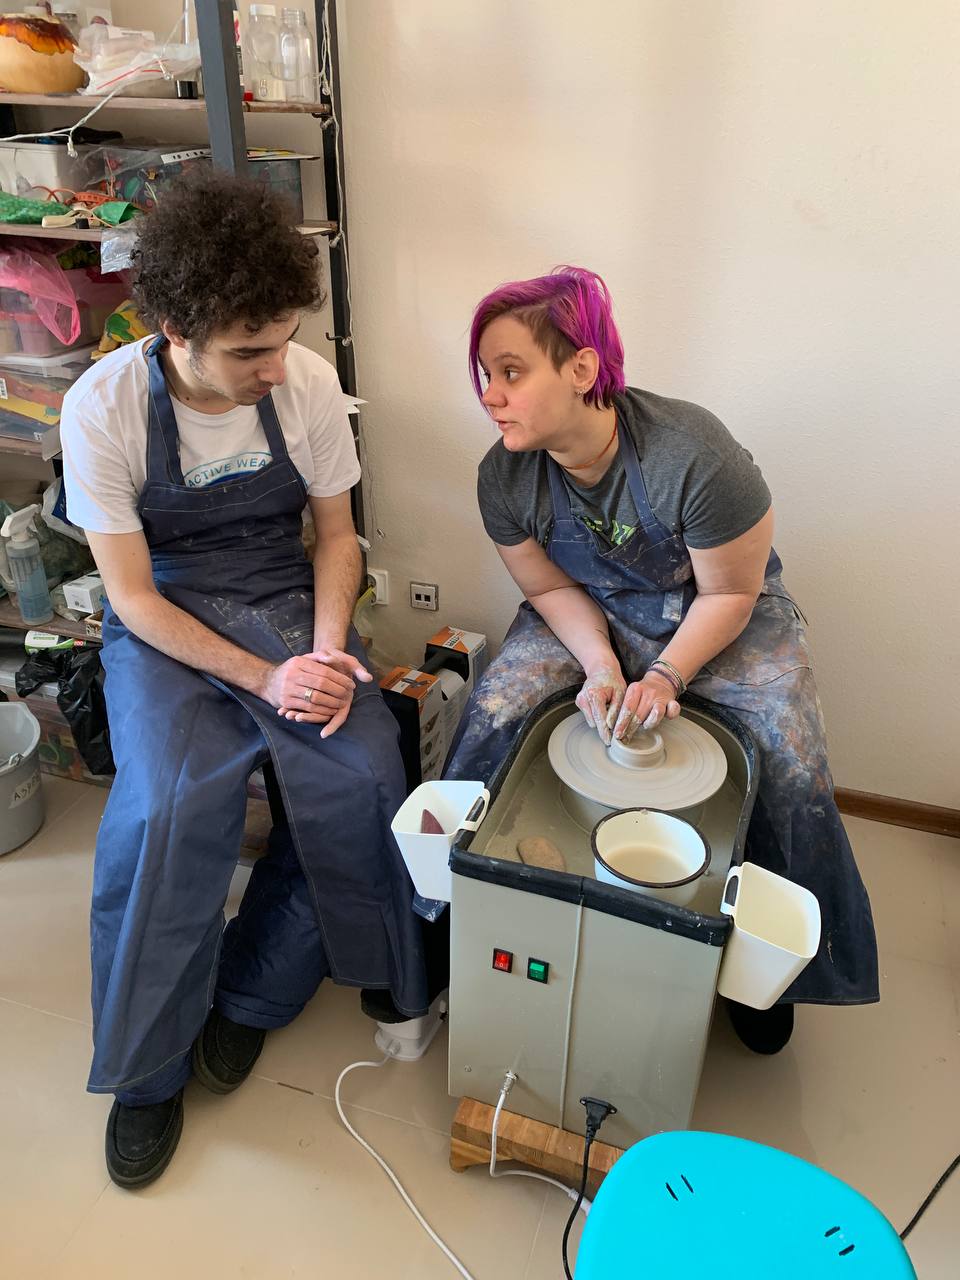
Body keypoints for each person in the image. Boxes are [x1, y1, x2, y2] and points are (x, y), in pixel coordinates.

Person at [61, 172, 438, 1188]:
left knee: (361, 769)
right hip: (168, 612)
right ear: (176, 330)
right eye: (247, 352)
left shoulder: (302, 383)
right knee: (168, 804)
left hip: (281, 591)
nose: (276, 368)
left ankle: (253, 993)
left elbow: (336, 538)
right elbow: (131, 596)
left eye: (283, 341)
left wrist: (323, 656)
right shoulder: (102, 408)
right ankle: (147, 1067)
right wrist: (265, 679)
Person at [446, 266, 878, 1051]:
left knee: (789, 757)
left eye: (511, 372)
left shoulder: (693, 455)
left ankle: (767, 967)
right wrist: (602, 666)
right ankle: (454, 909)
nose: (490, 396)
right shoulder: (502, 475)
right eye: (486, 375)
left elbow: (731, 591)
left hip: (716, 610)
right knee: (497, 712)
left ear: (582, 369)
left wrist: (668, 673)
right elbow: (547, 586)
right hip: (590, 606)